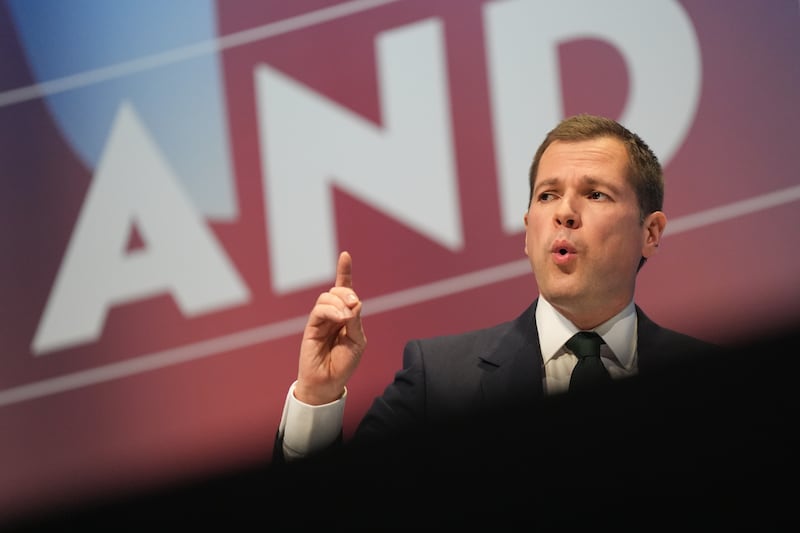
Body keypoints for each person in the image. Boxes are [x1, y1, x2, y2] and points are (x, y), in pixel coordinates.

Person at [274, 113, 720, 468]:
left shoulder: (709, 381)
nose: (564, 213)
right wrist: (317, 396)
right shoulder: (442, 382)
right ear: (528, 233)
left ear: (651, 232)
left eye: (596, 195)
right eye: (546, 196)